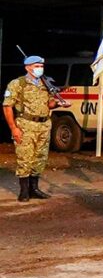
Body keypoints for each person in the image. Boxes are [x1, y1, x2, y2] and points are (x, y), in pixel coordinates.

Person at [3, 55, 65, 201]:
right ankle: (24, 191)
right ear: (28, 68)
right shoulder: (18, 83)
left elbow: (49, 104)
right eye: (37, 66)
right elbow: (7, 106)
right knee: (25, 157)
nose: (40, 68)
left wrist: (58, 103)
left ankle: (34, 189)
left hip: (44, 125)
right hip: (26, 125)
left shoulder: (45, 83)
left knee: (40, 158)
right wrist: (13, 128)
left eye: (41, 66)